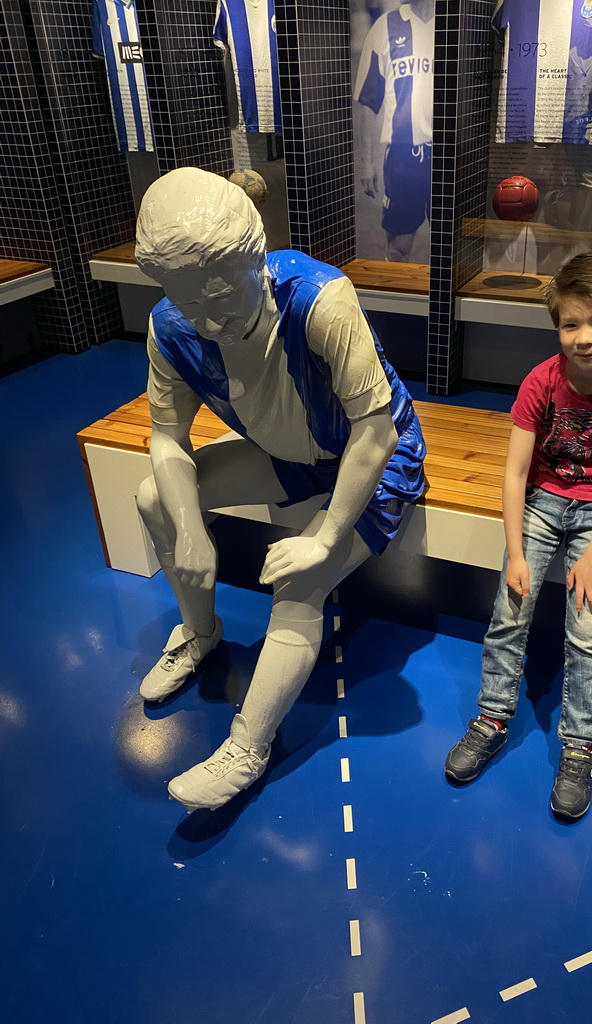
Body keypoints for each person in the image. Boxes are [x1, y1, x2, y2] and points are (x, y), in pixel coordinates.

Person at [133, 167, 425, 812]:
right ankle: (198, 632)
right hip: (288, 452)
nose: (208, 322)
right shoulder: (171, 327)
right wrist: (188, 532)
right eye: (188, 304)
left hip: (370, 458)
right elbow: (165, 438)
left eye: (221, 299)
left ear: (254, 259)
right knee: (155, 499)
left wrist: (324, 535)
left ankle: (248, 745)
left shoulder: (320, 299)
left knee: (299, 580)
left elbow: (374, 430)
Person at [444, 250, 592, 820]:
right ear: (557, 326)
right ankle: (492, 718)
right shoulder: (542, 382)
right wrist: (516, 552)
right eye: (570, 324)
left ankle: (578, 748)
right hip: (544, 501)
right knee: (509, 612)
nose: (584, 337)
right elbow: (516, 472)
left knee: (587, 634)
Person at [353, 0, 434, 261]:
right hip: (402, 156)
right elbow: (368, 100)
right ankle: (398, 301)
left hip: (449, 155)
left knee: (452, 243)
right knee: (399, 247)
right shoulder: (384, 27)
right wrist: (366, 161)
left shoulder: (451, 26)